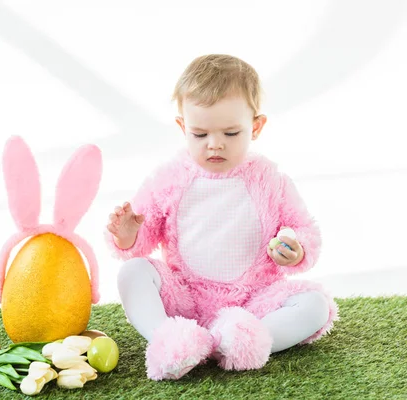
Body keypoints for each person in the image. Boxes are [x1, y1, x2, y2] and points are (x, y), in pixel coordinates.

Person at [105, 54, 338, 381]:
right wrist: (127, 235)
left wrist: (295, 248)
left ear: (255, 127)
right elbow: (142, 240)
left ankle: (239, 341)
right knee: (132, 272)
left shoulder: (269, 180)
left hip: (251, 304)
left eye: (231, 133)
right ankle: (171, 341)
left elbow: (303, 229)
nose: (215, 145)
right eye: (200, 135)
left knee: (316, 306)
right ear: (183, 126)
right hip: (184, 299)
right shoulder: (170, 178)